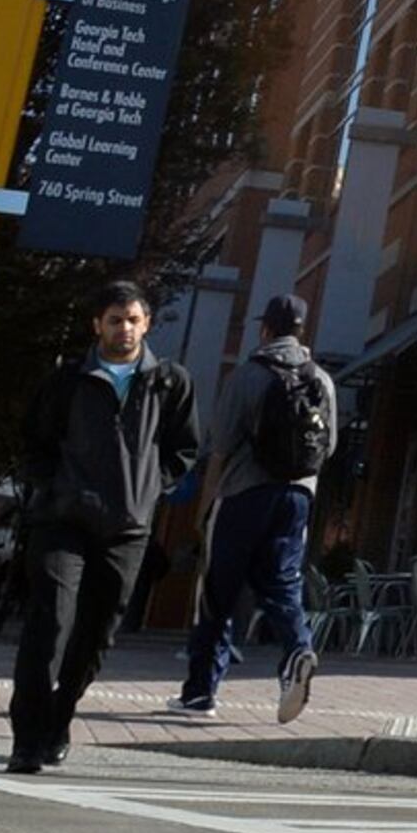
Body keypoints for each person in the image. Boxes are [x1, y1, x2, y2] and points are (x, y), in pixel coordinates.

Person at [10, 281, 202, 774]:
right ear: (97, 325)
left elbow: (184, 448)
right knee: (50, 621)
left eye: (133, 319)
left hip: (126, 530)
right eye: (115, 319)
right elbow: (35, 442)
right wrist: (54, 489)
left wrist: (148, 489)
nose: (124, 328)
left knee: (96, 636)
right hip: (63, 522)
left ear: (148, 324)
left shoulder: (169, 382)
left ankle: (59, 719)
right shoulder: (68, 379)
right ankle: (27, 738)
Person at [172, 294, 335, 721]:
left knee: (217, 592)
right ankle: (298, 648)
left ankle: (200, 692)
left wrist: (207, 502)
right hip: (299, 495)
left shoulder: (248, 375)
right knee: (283, 583)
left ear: (265, 329)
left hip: (243, 493)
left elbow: (221, 446)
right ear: (301, 330)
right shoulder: (322, 379)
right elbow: (329, 446)